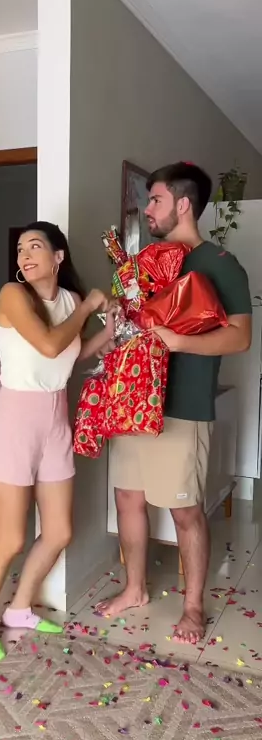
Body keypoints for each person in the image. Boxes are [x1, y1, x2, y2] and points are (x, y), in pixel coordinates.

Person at [96, 162, 252, 644]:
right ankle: (135, 588)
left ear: (183, 204)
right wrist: (115, 328)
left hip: (183, 406)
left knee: (185, 510)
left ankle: (193, 607)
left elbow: (240, 337)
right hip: (133, 402)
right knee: (127, 498)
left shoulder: (219, 264)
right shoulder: (144, 263)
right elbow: (134, 323)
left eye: (156, 200)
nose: (148, 209)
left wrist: (179, 342)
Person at [0, 221, 115, 660]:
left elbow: (72, 353)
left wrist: (112, 330)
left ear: (58, 257)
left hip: (55, 419)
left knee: (58, 531)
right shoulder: (13, 295)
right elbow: (51, 346)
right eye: (20, 249)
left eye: (35, 246)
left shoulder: (69, 301)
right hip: (15, 421)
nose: (25, 255)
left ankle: (19, 608)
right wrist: (88, 306)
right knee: (11, 538)